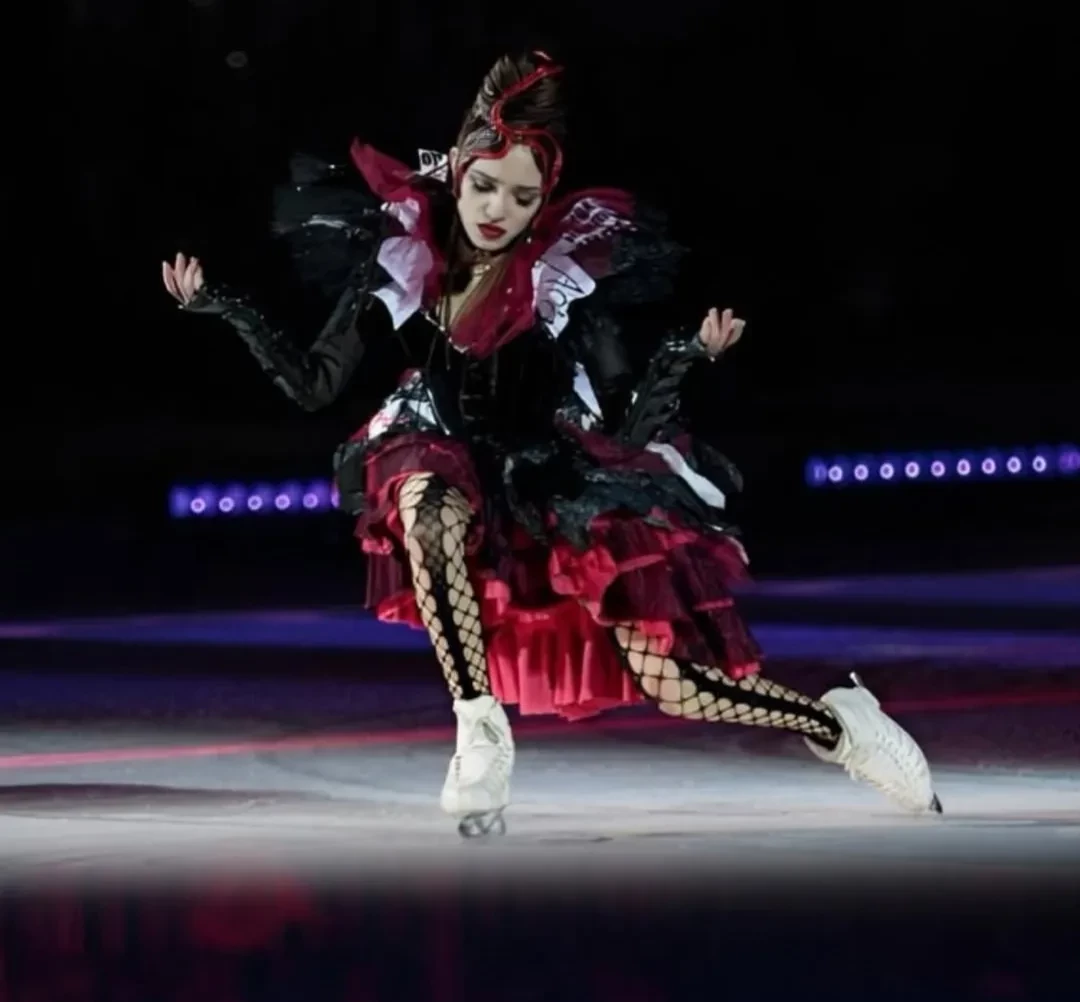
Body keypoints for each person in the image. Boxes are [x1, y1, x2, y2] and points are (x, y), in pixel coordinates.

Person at [163, 50, 942, 837]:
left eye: (522, 196)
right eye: (484, 186)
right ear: (457, 173)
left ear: (544, 202)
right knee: (425, 501)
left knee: (677, 687)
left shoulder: (562, 282)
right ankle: (480, 730)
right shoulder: (405, 257)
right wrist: (225, 307)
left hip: (552, 481)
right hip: (444, 450)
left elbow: (626, 428)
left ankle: (840, 724)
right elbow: (314, 385)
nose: (497, 209)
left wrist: (684, 356)